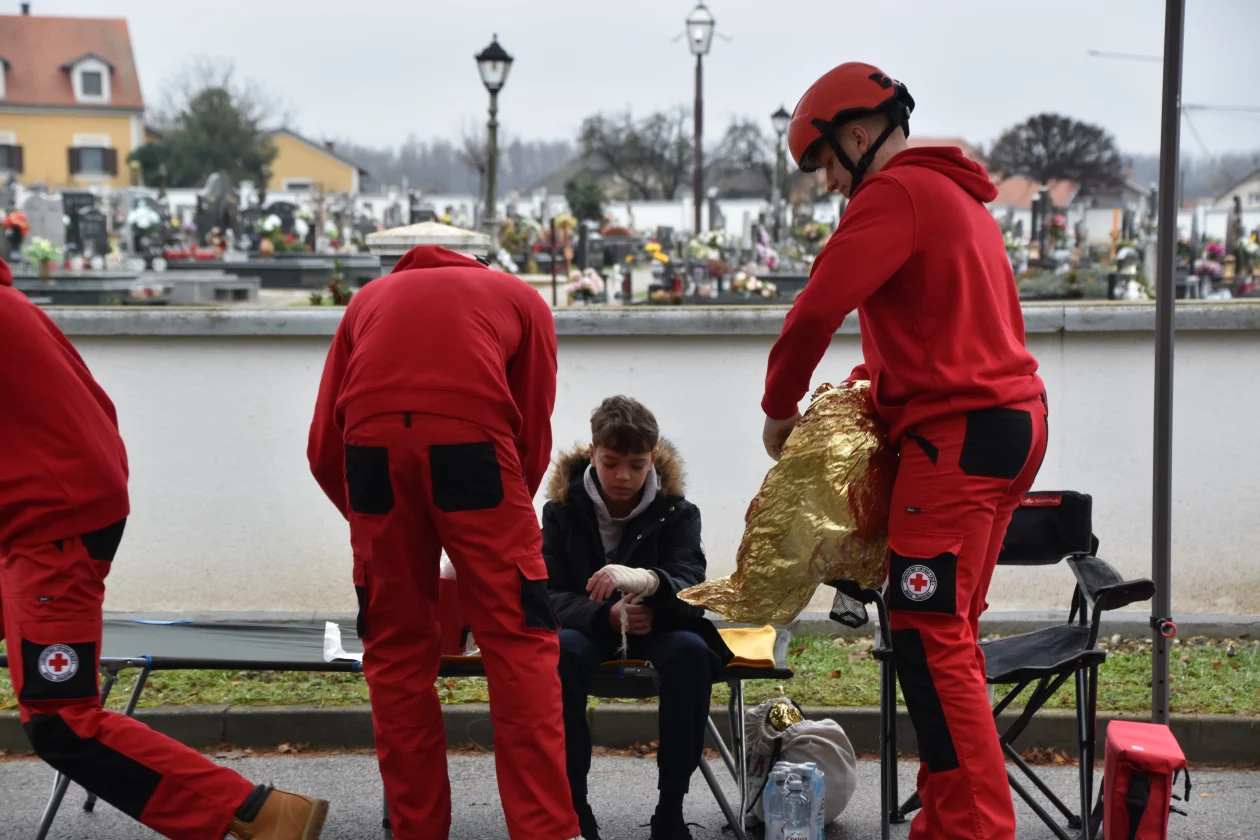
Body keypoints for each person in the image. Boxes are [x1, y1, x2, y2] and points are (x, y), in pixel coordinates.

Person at [760, 63, 1048, 840]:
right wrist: (870, 383)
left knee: (929, 640)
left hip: (956, 440)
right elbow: (945, 333)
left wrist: (779, 412)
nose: (824, 183)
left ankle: (977, 828)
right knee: (943, 634)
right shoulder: (955, 197)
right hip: (1008, 428)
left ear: (857, 135)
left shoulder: (893, 196)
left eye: (821, 161)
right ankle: (949, 820)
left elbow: (813, 311)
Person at [0, 257, 327, 840]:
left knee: (60, 717)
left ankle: (257, 812)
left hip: (50, 520)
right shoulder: (13, 305)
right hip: (52, 508)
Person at [307, 245, 577, 840]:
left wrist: (379, 530)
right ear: (476, 266)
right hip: (475, 451)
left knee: (396, 656)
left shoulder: (365, 302)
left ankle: (416, 831)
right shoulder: (519, 298)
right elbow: (531, 430)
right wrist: (492, 536)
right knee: (519, 643)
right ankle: (545, 832)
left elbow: (324, 450)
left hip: (371, 454)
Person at [542, 397, 732, 840]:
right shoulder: (561, 511)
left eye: (636, 464)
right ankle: (574, 807)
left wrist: (649, 588)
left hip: (658, 626)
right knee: (561, 651)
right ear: (592, 455)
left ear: (652, 460)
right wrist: (605, 616)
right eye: (611, 463)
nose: (623, 476)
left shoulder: (678, 512)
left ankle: (670, 809)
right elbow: (548, 596)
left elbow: (692, 589)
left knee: (690, 652)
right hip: (590, 628)